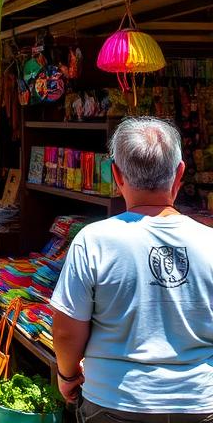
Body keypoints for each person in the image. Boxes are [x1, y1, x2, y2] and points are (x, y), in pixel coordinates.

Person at [51, 117, 213, 420]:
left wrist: (68, 376)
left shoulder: (93, 241)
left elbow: (65, 331)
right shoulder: (210, 242)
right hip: (200, 403)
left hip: (113, 402)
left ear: (116, 175)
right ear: (180, 174)